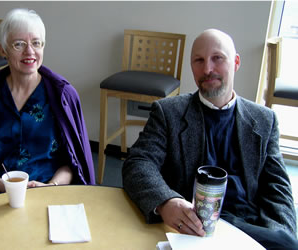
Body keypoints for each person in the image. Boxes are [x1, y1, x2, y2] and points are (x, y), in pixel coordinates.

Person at [122, 29, 298, 249]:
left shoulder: (264, 120)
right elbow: (138, 163)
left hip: (248, 228)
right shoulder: (168, 112)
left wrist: (280, 235)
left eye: (218, 58)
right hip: (191, 230)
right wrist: (166, 202)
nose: (207, 69)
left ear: (235, 62)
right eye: (199, 60)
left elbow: (278, 188)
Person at [0, 8, 95, 209]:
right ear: (3, 50)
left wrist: (51, 186)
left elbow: (72, 164)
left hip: (51, 188)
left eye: (36, 43)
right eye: (19, 44)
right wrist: (4, 187)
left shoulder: (63, 96)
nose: (29, 52)